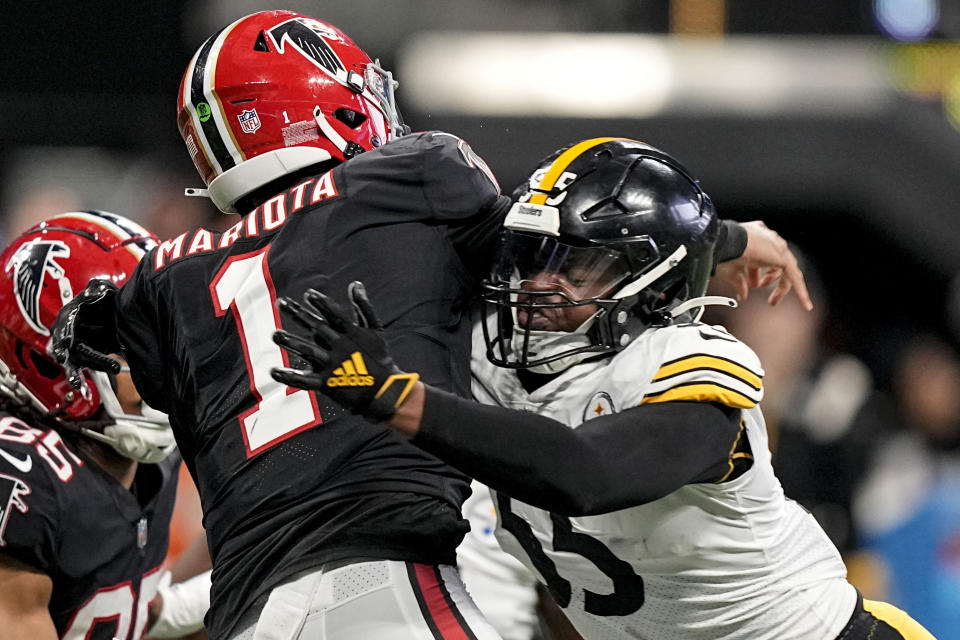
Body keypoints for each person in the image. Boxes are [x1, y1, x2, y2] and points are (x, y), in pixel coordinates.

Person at [50, 12, 808, 640]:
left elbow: (102, 342)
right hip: (386, 581)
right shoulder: (412, 177)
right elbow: (556, 231)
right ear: (329, 103)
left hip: (249, 608)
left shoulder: (158, 282)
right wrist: (722, 240)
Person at [269, 138, 935, 640]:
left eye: (576, 266)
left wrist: (402, 400)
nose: (536, 285)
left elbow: (585, 471)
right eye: (533, 258)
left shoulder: (692, 363)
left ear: (657, 283)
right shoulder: (494, 358)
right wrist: (722, 235)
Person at [0, 211, 207, 640]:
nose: (158, 370)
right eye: (132, 349)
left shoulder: (147, 459)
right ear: (46, 359)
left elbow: (119, 607)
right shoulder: (23, 474)